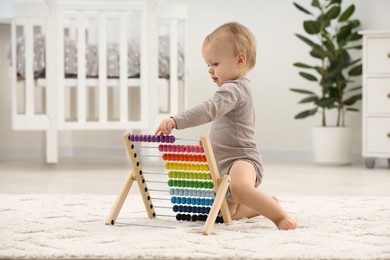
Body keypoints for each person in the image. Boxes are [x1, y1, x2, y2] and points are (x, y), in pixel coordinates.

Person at [155, 22, 296, 230]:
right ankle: (265, 204)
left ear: (240, 60)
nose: (210, 70)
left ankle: (279, 216)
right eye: (207, 65)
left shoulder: (234, 89)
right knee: (225, 213)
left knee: (239, 188)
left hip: (241, 159)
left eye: (215, 63)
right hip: (222, 162)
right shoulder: (231, 88)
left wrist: (178, 120)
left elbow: (208, 109)